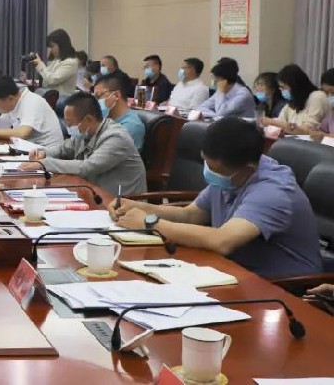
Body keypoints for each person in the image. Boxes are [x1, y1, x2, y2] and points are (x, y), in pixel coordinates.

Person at [111, 117, 322, 279]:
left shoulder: (272, 191)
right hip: (233, 269)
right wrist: (141, 208)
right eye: (206, 162)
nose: (208, 172)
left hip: (283, 286)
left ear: (247, 169)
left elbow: (223, 241)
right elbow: (191, 214)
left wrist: (150, 223)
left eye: (215, 169)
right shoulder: (233, 171)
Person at [24, 92, 146, 195]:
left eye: (70, 123)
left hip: (123, 203)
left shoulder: (116, 137)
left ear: (88, 119)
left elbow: (87, 167)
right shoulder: (84, 132)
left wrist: (44, 164)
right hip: (92, 193)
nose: (68, 127)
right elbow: (63, 149)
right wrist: (43, 153)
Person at [0, 75, 63, 148]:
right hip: (26, 149)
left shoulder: (32, 101)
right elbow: (3, 129)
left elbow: (22, 133)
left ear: (10, 98)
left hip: (46, 155)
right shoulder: (11, 105)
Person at [261, 64, 330, 134]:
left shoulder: (317, 96)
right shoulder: (293, 101)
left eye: (283, 87)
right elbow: (280, 121)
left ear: (295, 86)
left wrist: (272, 122)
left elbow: (307, 130)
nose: (281, 90)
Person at [93, 75, 145, 152]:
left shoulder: (131, 125)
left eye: (98, 96)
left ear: (116, 95)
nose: (96, 102)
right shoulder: (107, 118)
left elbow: (101, 154)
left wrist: (98, 118)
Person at [30, 29, 78, 97]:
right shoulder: (57, 59)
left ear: (61, 45)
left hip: (62, 98)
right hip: (52, 96)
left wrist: (40, 64)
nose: (51, 50)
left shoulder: (70, 62)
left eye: (52, 46)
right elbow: (46, 78)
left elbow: (51, 80)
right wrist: (38, 66)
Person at [308, 68, 334, 140]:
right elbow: (321, 130)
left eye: (333, 92)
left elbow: (324, 135)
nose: (329, 96)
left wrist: (325, 136)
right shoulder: (331, 112)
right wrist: (313, 131)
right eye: (326, 93)